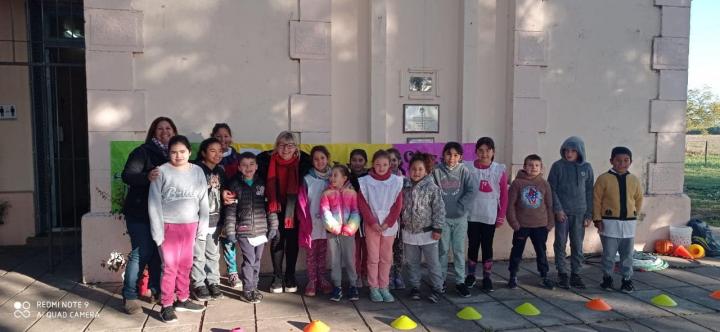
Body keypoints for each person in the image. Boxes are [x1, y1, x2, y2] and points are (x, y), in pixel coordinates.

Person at [148, 135, 209, 323]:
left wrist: (202, 226)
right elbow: (154, 203)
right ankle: (166, 305)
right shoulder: (161, 172)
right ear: (168, 153)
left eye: (182, 152)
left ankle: (182, 299)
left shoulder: (198, 171)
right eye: (173, 152)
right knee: (169, 267)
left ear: (189, 152)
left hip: (190, 226)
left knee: (185, 265)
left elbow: (203, 199)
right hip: (168, 227)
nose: (178, 155)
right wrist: (158, 233)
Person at [120, 116, 176, 315]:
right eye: (160, 129)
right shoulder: (142, 152)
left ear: (174, 132)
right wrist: (146, 177)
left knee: (159, 255)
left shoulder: (177, 155)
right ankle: (129, 295)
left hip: (164, 215)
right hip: (140, 213)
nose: (165, 132)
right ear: (153, 132)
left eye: (168, 128)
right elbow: (127, 175)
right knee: (141, 252)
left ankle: (157, 291)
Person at [256, 131, 312, 293]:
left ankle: (290, 275)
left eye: (290, 145)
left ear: (296, 148)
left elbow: (323, 169)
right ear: (276, 146)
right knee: (277, 240)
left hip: (294, 208)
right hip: (274, 206)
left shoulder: (304, 161)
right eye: (281, 145)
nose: (285, 149)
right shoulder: (265, 160)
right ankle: (277, 276)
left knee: (292, 242)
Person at [224, 152, 279, 303]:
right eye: (244, 165)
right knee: (249, 260)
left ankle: (254, 287)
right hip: (244, 231)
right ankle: (247, 289)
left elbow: (270, 207)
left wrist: (273, 225)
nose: (248, 168)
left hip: (261, 231)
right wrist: (230, 230)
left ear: (256, 166)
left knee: (257, 260)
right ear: (239, 167)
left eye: (251, 164)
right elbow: (231, 210)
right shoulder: (235, 184)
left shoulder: (262, 183)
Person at [594, 146, 643, 294]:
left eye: (626, 160)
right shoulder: (603, 179)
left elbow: (638, 199)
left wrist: (635, 215)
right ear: (611, 161)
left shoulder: (634, 180)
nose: (622, 163)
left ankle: (626, 280)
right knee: (609, 255)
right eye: (618, 160)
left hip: (628, 224)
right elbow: (596, 200)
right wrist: (597, 218)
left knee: (627, 255)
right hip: (609, 223)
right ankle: (607, 278)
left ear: (631, 162)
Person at [357, 150, 404, 302]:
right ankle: (374, 287)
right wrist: (372, 222)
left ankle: (384, 286)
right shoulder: (365, 182)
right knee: (373, 257)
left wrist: (388, 222)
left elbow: (398, 205)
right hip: (372, 226)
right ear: (372, 165)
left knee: (386, 257)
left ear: (390, 165)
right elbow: (362, 204)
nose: (381, 167)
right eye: (378, 164)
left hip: (388, 227)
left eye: (385, 164)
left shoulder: (396, 181)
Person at [548, 136, 594, 289]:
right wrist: (558, 209)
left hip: (580, 213)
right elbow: (551, 189)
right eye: (566, 150)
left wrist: (589, 215)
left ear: (579, 152)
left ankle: (576, 274)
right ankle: (562, 273)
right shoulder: (557, 167)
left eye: (573, 151)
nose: (569, 153)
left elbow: (589, 191)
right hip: (563, 214)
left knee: (577, 244)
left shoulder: (586, 168)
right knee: (560, 243)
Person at [401, 152, 446, 303]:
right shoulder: (405, 186)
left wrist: (438, 229)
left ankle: (437, 288)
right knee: (412, 263)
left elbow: (439, 209)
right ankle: (415, 287)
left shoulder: (432, 188)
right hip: (409, 233)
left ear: (426, 170)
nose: (416, 172)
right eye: (413, 168)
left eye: (420, 169)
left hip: (428, 234)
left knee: (433, 263)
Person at [432, 142, 475, 297]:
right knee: (442, 250)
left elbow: (471, 190)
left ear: (461, 157)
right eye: (449, 154)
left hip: (460, 219)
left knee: (458, 250)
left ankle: (460, 281)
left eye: (456, 155)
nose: (452, 158)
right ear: (443, 155)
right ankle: (441, 280)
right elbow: (432, 192)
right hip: (442, 219)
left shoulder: (464, 171)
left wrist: (461, 207)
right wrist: (438, 211)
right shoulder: (436, 171)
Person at [506, 154, 555, 289]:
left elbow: (550, 205)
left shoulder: (544, 184)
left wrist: (549, 224)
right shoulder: (517, 183)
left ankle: (544, 276)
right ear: (524, 167)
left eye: (536, 165)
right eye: (530, 165)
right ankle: (513, 276)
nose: (533, 168)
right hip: (522, 226)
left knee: (541, 252)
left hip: (540, 226)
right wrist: (514, 224)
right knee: (517, 251)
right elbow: (510, 205)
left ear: (541, 168)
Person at [466, 137, 508, 292]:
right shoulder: (468, 168)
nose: (484, 154)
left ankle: (487, 277)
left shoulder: (498, 170)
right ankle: (471, 275)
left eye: (488, 150)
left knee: (487, 246)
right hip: (472, 215)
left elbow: (504, 195)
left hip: (489, 215)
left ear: (493, 152)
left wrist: (501, 215)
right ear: (476, 152)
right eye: (481, 150)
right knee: (473, 245)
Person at [190, 138, 226, 301]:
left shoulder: (221, 171)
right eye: (213, 150)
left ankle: (213, 282)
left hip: (216, 220)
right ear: (203, 152)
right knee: (198, 255)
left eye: (220, 151)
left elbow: (223, 193)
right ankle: (199, 284)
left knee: (213, 254)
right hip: (199, 221)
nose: (218, 154)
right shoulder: (195, 170)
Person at [321, 165, 361, 302]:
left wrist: (350, 228)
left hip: (348, 234)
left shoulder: (352, 193)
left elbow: (356, 212)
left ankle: (353, 285)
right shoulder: (326, 194)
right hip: (333, 233)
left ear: (344, 178)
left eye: (335, 175)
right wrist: (334, 227)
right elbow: (325, 212)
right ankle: (337, 286)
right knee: (335, 260)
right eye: (331, 175)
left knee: (350, 259)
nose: (332, 178)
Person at [297, 146, 334, 296]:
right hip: (311, 224)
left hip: (329, 224)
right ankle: (312, 280)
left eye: (322, 158)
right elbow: (302, 203)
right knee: (311, 254)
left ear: (328, 158)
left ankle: (322, 279)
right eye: (316, 159)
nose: (320, 161)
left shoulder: (334, 176)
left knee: (323, 254)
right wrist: (305, 223)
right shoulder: (308, 179)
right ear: (312, 161)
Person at [211, 123, 242, 289]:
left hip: (232, 207)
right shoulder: (210, 157)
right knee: (211, 243)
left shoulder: (237, 158)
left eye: (226, 136)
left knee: (229, 239)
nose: (223, 140)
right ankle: (212, 276)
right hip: (213, 207)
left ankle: (232, 273)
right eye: (218, 136)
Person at [348, 149, 369, 288]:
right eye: (354, 160)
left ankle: (365, 274)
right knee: (354, 250)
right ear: (350, 162)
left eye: (360, 160)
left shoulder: (370, 177)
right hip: (351, 219)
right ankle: (355, 276)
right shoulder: (346, 177)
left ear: (365, 162)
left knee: (367, 249)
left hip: (367, 219)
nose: (357, 163)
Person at [386, 148, 406, 289]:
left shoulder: (404, 179)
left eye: (394, 160)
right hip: (385, 220)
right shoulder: (380, 179)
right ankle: (386, 276)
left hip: (401, 220)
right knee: (386, 249)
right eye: (389, 160)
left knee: (398, 249)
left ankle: (398, 275)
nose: (392, 163)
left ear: (399, 162)